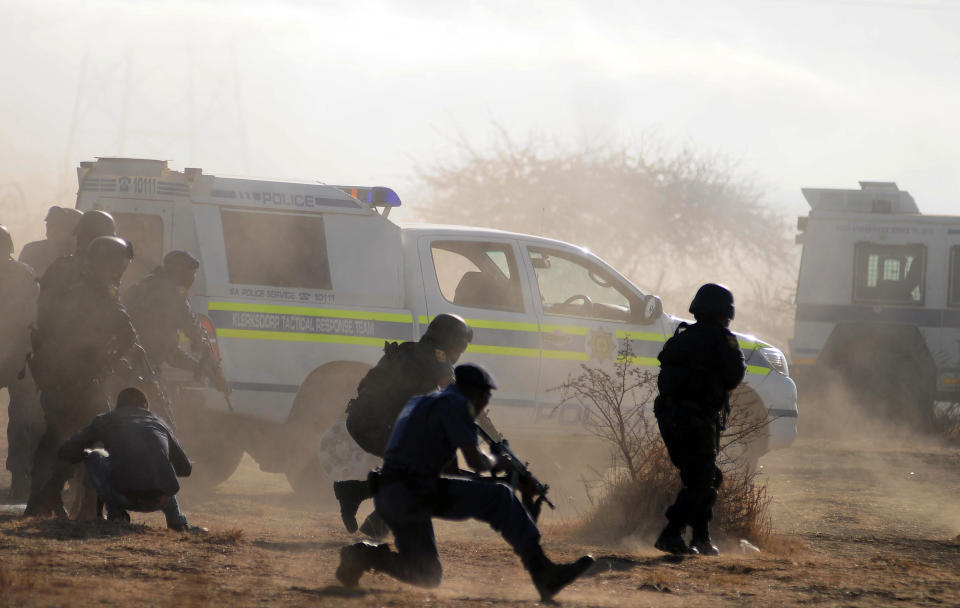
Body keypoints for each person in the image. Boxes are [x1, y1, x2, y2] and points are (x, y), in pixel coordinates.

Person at [334, 363, 594, 602]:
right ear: (476, 394)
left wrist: (509, 479)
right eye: (485, 399)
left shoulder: (422, 402)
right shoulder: (457, 405)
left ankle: (363, 555)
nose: (484, 406)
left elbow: (453, 474)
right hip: (412, 493)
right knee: (500, 497)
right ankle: (544, 574)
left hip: (396, 495)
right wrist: (501, 464)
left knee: (428, 576)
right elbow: (476, 463)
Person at [25, 236, 138, 517]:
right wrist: (110, 360)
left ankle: (45, 498)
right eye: (118, 266)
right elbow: (125, 331)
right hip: (80, 378)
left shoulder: (74, 288)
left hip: (59, 376)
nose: (121, 272)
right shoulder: (94, 293)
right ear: (106, 264)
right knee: (86, 438)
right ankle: (54, 497)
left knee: (61, 438)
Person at [333, 313, 474, 537]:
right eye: (459, 349)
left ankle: (353, 493)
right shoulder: (435, 356)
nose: (458, 355)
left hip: (362, 420)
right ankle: (375, 524)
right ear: (450, 343)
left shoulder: (412, 350)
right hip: (375, 424)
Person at [653, 283, 746, 556]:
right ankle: (671, 533)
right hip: (695, 420)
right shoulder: (722, 339)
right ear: (724, 312)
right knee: (702, 480)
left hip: (670, 419)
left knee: (705, 478)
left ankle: (701, 539)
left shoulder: (682, 336)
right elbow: (735, 375)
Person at [57, 387, 201, 531]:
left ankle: (116, 514)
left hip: (124, 496)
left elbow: (68, 449)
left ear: (118, 405)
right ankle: (176, 520)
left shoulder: (107, 419)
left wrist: (75, 455)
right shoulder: (159, 422)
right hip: (161, 499)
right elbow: (185, 468)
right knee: (159, 460)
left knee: (95, 455)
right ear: (146, 407)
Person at [122, 250, 226, 392]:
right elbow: (193, 329)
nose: (193, 278)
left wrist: (198, 367)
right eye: (191, 273)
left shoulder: (147, 283)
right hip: (140, 369)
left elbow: (168, 351)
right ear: (180, 273)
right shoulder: (173, 295)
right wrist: (209, 360)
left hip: (127, 365)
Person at [0, 225, 39, 500]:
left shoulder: (22, 275)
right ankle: (19, 479)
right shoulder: (23, 273)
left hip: (15, 354)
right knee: (22, 418)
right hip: (17, 355)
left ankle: (19, 477)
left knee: (23, 419)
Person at [18, 206, 83, 278]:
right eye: (50, 225)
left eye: (60, 226)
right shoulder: (32, 251)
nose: (53, 230)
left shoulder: (83, 258)